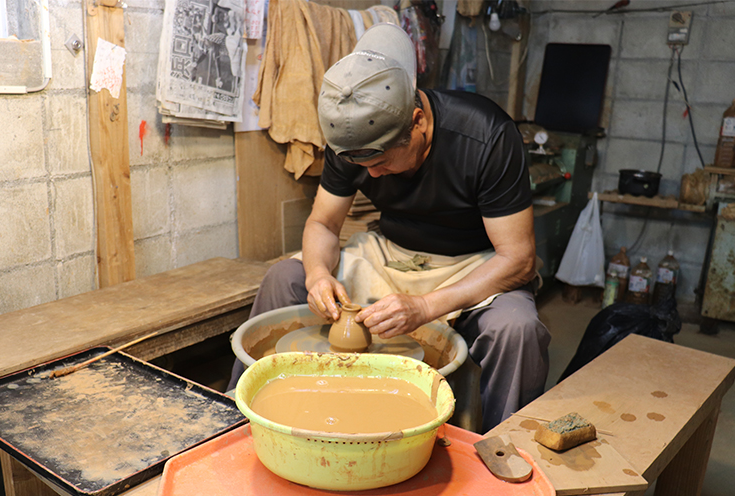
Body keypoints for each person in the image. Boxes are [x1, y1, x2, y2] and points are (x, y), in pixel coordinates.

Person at [229, 23, 550, 432]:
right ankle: (239, 422)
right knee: (283, 277)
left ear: (417, 121)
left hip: (471, 261)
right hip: (388, 252)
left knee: (517, 328)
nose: (374, 176)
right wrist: (316, 276)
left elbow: (518, 259)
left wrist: (425, 307)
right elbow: (324, 224)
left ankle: (499, 448)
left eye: (382, 162)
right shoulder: (351, 138)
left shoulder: (486, 137)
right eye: (363, 166)